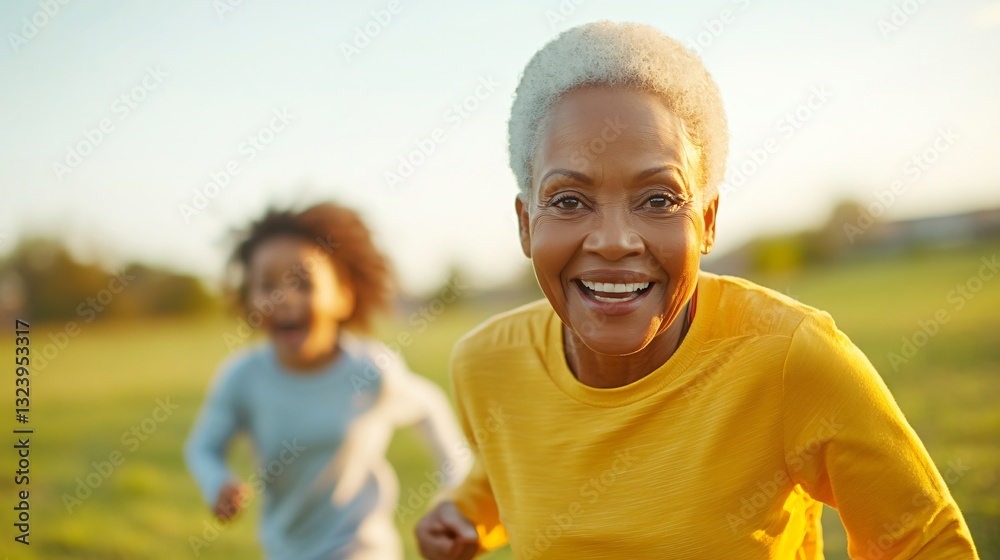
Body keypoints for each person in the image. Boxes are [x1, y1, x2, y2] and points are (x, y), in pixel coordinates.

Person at [415, 21, 979, 559]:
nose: (614, 241)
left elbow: (922, 545)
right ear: (525, 224)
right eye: (568, 200)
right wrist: (465, 514)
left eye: (659, 199)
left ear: (707, 222)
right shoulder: (486, 365)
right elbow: (517, 459)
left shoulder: (790, 360)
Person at [184, 202, 471, 559]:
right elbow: (204, 447)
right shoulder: (242, 377)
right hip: (284, 550)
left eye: (302, 283)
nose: (283, 298)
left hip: (362, 548)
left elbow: (428, 407)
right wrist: (218, 483)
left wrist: (454, 491)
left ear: (344, 297)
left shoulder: (371, 370)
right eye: (266, 284)